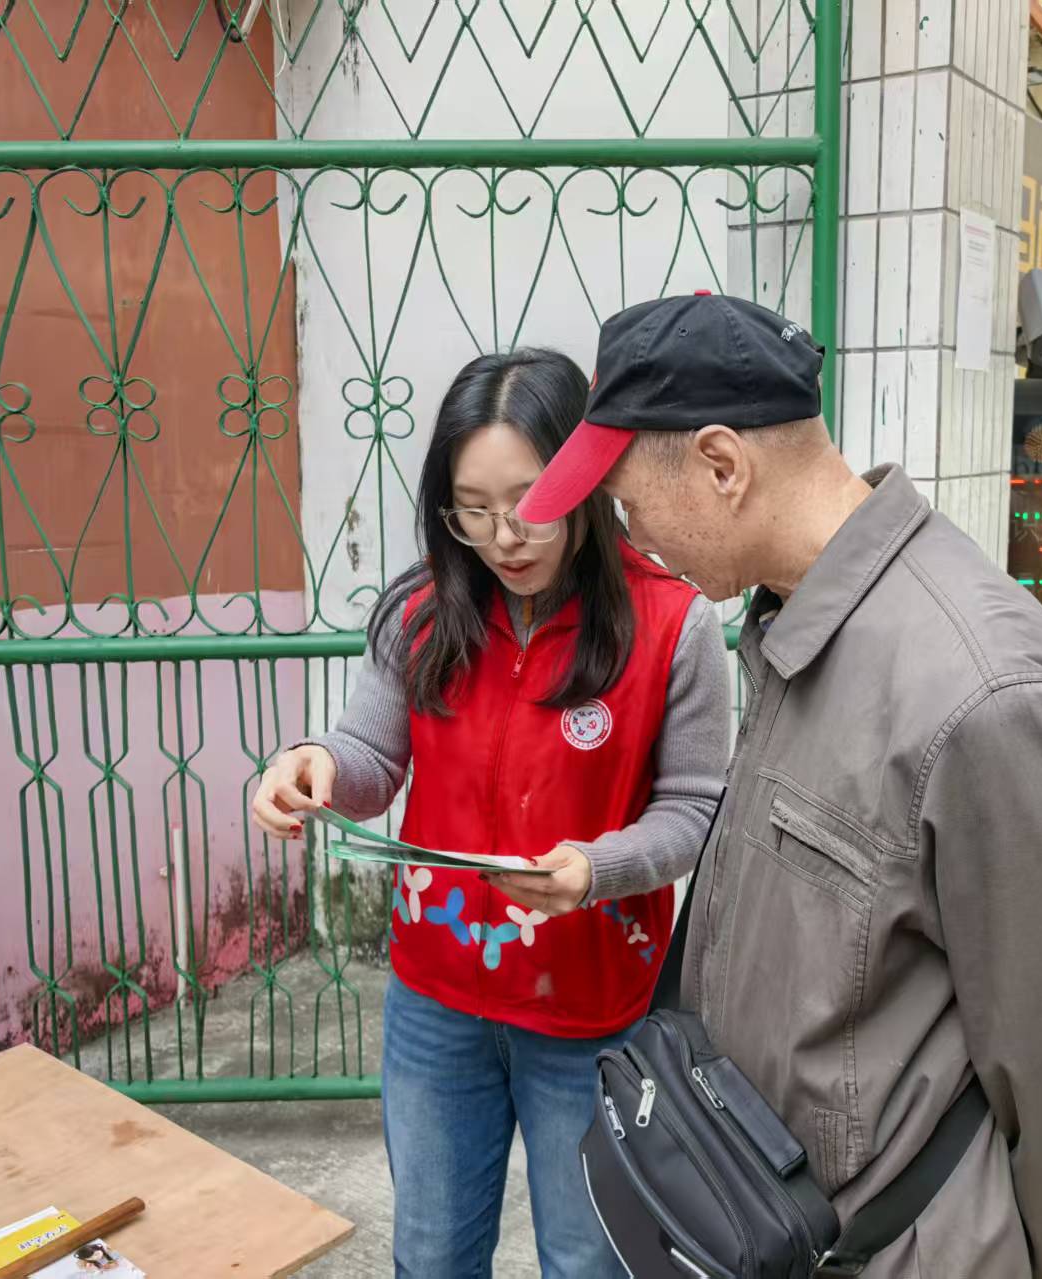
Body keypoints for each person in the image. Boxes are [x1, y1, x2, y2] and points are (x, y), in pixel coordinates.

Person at [516, 295, 1042, 1278]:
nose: (630, 535)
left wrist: (1004, 1254)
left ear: (721, 466)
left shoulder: (982, 692)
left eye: (624, 500)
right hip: (782, 1221)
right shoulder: (798, 617)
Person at [250, 348, 728, 1279]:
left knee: (588, 1263)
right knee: (432, 1254)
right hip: (437, 1002)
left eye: (530, 499)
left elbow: (695, 808)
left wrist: (597, 868)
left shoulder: (673, 624)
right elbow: (370, 756)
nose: (505, 535)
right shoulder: (421, 611)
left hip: (592, 1010)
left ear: (585, 480)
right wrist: (314, 765)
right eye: (472, 507)